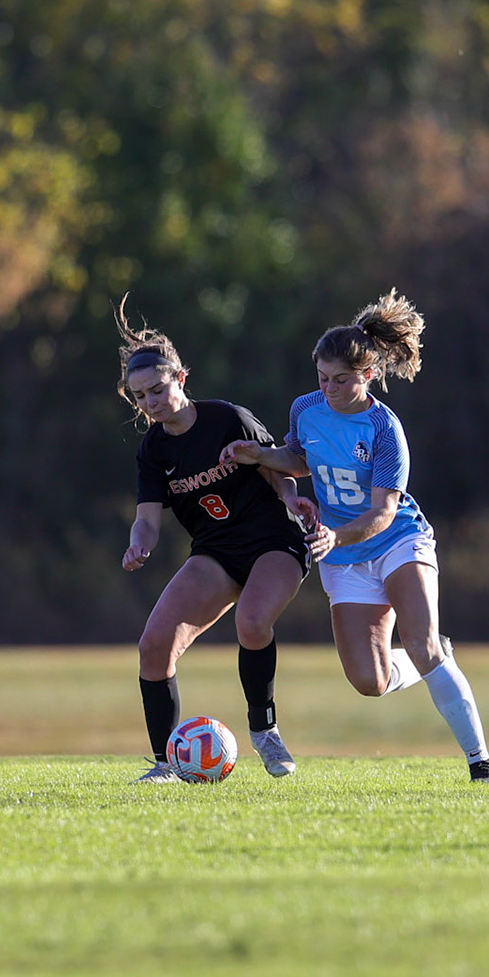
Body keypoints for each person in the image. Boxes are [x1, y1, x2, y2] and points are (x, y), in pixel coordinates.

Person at [221, 289, 489, 784]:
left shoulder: (383, 427)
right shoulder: (306, 407)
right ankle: (434, 656)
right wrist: (260, 456)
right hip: (343, 557)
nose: (329, 389)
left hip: (396, 541)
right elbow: (300, 459)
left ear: (368, 375)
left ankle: (482, 762)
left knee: (421, 643)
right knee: (368, 682)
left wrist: (334, 535)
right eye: (323, 379)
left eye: (342, 380)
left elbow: (383, 512)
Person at [117, 299, 334, 783]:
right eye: (140, 397)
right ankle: (164, 764)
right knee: (153, 646)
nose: (150, 403)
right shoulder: (153, 450)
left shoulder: (227, 418)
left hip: (275, 539)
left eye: (157, 390)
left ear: (180, 379)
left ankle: (265, 731)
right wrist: (140, 544)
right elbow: (147, 518)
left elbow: (278, 463)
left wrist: (293, 499)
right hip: (216, 551)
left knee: (252, 622)